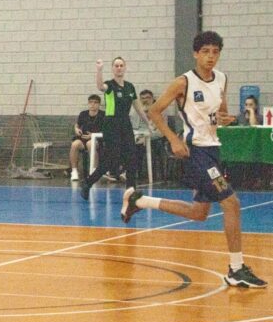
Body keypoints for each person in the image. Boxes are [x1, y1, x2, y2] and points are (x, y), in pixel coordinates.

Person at [120, 31, 266, 291]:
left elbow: (218, 113)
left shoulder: (222, 78)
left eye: (215, 52)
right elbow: (155, 111)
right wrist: (174, 140)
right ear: (196, 54)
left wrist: (224, 118)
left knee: (199, 213)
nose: (211, 57)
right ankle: (236, 268)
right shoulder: (183, 82)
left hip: (213, 150)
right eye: (206, 52)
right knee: (231, 202)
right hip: (194, 151)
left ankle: (140, 200)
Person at [80, 57, 150, 199]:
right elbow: (100, 87)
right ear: (113, 68)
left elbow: (138, 107)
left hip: (125, 124)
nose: (119, 68)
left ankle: (131, 191)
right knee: (111, 160)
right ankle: (88, 182)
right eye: (116, 66)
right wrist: (99, 70)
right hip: (111, 125)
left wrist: (148, 123)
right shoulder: (110, 85)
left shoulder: (130, 87)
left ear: (125, 67)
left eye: (121, 65)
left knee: (131, 157)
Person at [69, 94, 104, 181]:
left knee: (90, 144)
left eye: (95, 103)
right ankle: (74, 171)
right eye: (91, 102)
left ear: (99, 104)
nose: (92, 104)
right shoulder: (83, 114)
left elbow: (107, 130)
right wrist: (76, 129)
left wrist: (93, 135)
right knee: (75, 144)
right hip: (83, 138)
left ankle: (94, 171)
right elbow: (77, 125)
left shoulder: (103, 115)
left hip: (97, 139)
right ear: (88, 103)